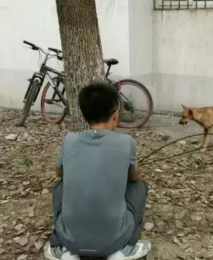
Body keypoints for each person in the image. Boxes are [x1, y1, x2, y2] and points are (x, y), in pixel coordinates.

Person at [44, 83, 151, 260]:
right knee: (140, 187)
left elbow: (60, 175)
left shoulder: (69, 140)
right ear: (115, 114)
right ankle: (127, 247)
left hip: (71, 239)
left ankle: (61, 246)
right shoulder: (126, 142)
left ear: (85, 115)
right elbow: (133, 177)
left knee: (58, 187)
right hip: (116, 239)